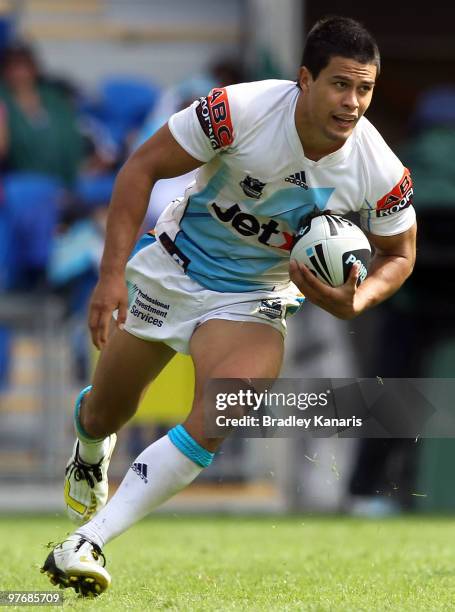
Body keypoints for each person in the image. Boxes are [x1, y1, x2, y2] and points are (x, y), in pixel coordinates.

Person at [41, 16, 417, 596]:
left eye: (364, 88)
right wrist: (110, 276)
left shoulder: (382, 171)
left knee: (225, 409)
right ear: (304, 80)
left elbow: (399, 252)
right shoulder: (236, 110)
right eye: (340, 85)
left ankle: (88, 540)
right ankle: (90, 450)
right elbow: (141, 167)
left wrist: (359, 298)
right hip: (174, 268)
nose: (353, 103)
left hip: (255, 297)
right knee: (105, 413)